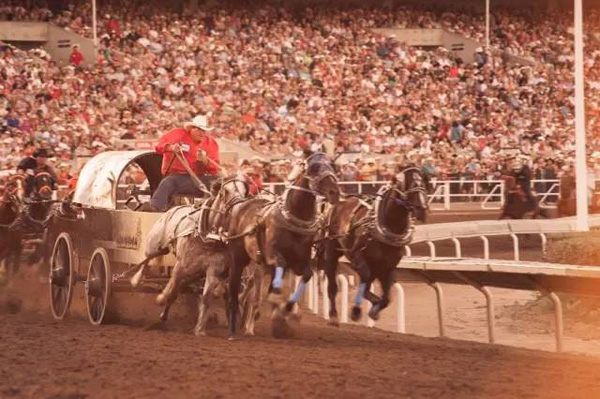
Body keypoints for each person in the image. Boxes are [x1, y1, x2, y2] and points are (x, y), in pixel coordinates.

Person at [142, 115, 220, 212]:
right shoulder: (177, 134)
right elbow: (159, 147)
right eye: (199, 130)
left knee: (219, 183)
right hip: (179, 177)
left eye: (203, 131)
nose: (202, 133)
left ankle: (221, 210)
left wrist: (205, 161)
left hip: (199, 179)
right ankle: (155, 208)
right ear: (191, 128)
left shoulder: (210, 143)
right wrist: (171, 148)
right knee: (168, 182)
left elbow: (215, 169)